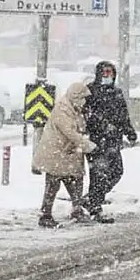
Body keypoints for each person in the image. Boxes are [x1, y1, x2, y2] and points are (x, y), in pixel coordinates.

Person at [33, 81, 98, 228]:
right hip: (56, 153)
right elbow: (70, 133)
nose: (84, 101)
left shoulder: (75, 109)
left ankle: (76, 209)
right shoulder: (63, 110)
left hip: (67, 153)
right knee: (54, 184)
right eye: (82, 98)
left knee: (74, 180)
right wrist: (88, 145)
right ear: (75, 97)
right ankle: (46, 215)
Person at [84, 61, 138, 223]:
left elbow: (123, 116)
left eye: (111, 73)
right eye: (105, 73)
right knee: (98, 175)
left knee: (116, 172)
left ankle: (92, 198)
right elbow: (86, 115)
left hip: (114, 142)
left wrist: (130, 133)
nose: (108, 76)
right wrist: (101, 125)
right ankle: (95, 206)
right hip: (97, 142)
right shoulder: (90, 91)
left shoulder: (116, 93)